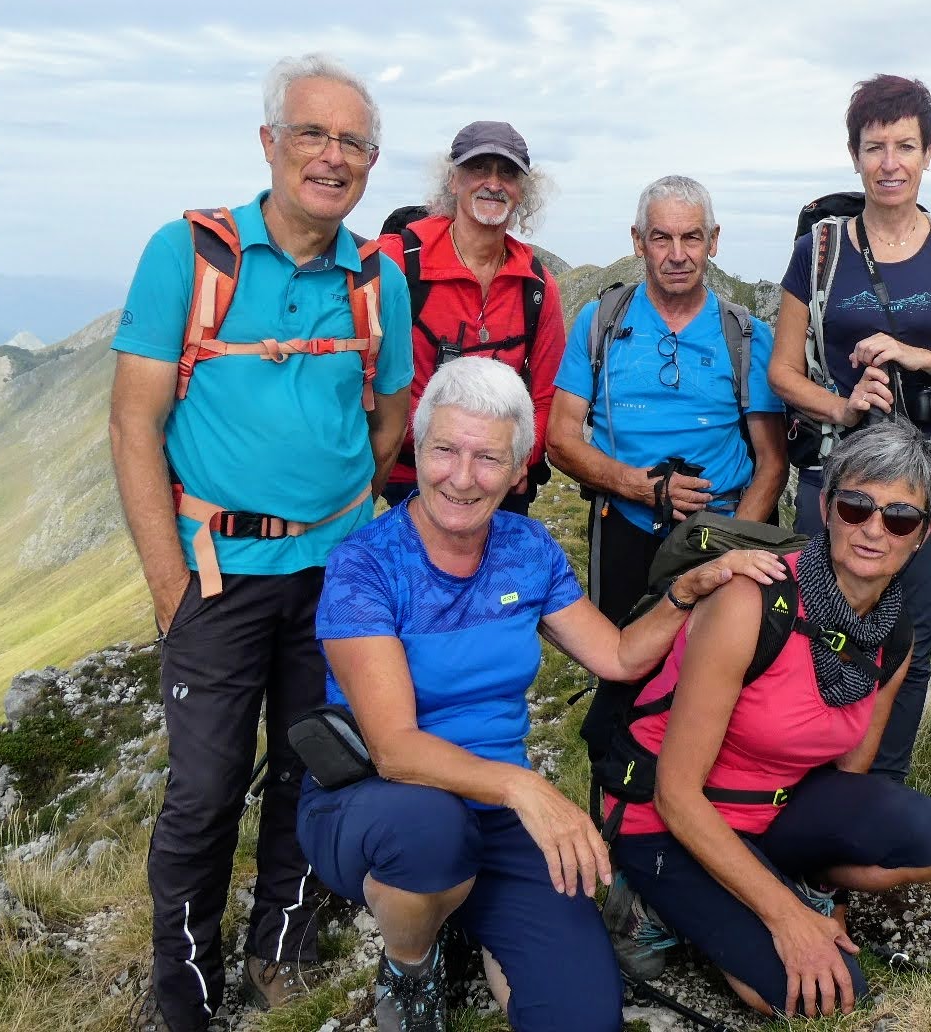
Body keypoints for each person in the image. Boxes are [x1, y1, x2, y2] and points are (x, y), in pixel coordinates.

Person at [300, 358, 786, 1032]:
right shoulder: (366, 564)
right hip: (381, 804)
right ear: (419, 448)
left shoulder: (526, 548)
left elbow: (618, 657)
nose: (462, 477)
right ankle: (411, 962)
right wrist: (527, 789)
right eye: (445, 450)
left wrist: (687, 591)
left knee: (583, 1017)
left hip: (497, 815)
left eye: (488, 459)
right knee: (431, 834)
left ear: (518, 471)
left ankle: (464, 909)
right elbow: (394, 749)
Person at [108, 54, 412, 1030]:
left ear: (371, 162)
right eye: (311, 133)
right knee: (203, 793)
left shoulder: (378, 278)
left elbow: (389, 420)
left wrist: (337, 514)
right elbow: (134, 422)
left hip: (336, 573)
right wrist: (168, 585)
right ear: (270, 143)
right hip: (214, 573)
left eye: (352, 142)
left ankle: (281, 949)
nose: (332, 156)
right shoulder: (188, 254)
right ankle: (185, 993)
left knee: (313, 764)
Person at [607, 419, 931, 1018]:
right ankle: (648, 904)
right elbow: (675, 793)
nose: (874, 530)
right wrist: (787, 917)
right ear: (826, 507)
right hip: (668, 817)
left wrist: (824, 899)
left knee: (928, 842)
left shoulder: (893, 637)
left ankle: (756, 890)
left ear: (921, 536)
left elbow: (846, 782)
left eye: (900, 518)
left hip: (774, 812)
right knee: (816, 998)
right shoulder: (751, 601)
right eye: (856, 507)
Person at [768, 74, 931, 785]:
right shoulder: (819, 250)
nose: (890, 163)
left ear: (928, 153)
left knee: (913, 638)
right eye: (875, 147)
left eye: (905, 146)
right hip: (838, 468)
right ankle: (804, 787)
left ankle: (879, 788)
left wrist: (916, 356)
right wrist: (843, 406)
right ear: (855, 155)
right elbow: (782, 371)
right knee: (815, 627)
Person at [547, 175, 788, 623]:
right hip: (624, 528)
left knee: (715, 663)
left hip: (721, 528)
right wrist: (639, 486)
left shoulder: (747, 335)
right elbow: (560, 440)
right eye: (661, 238)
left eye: (691, 237)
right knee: (622, 656)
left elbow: (772, 463)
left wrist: (731, 548)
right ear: (638, 241)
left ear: (713, 241)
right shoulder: (599, 322)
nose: (678, 254)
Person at [376, 120, 565, 512]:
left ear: (522, 190)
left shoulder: (537, 285)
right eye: (478, 168)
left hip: (498, 482)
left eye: (508, 173)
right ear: (452, 180)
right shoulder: (396, 262)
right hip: (407, 480)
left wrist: (520, 460)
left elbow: (547, 396)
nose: (493, 183)